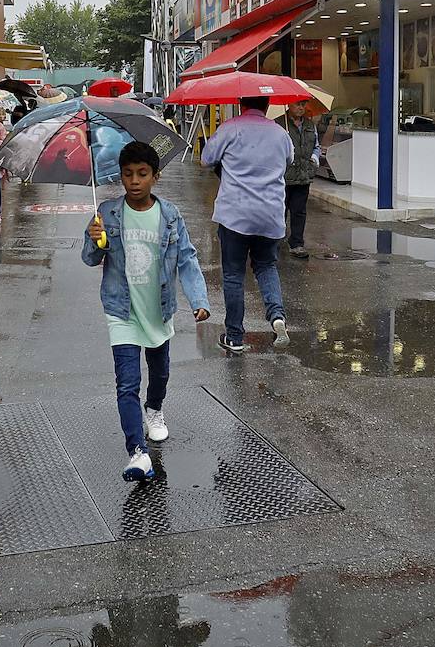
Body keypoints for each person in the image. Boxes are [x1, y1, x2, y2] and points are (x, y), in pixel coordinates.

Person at [83, 141, 210, 482]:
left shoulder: (169, 215)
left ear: (156, 176)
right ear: (120, 176)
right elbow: (90, 258)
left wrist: (199, 300)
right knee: (126, 383)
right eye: (128, 174)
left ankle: (154, 409)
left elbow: (186, 257)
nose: (134, 181)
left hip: (158, 308)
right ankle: (137, 453)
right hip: (121, 309)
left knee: (160, 373)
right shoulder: (107, 213)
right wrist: (93, 237)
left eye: (142, 174)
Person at [201, 96, 294, 353]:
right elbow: (289, 161)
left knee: (233, 274)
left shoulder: (229, 128)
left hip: (236, 215)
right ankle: (277, 316)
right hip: (271, 215)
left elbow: (206, 159)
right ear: (267, 106)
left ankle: (234, 337)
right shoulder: (281, 133)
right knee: (266, 266)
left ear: (242, 104)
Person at [280, 100, 335, 258]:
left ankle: (297, 243)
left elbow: (316, 146)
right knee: (280, 210)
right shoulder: (279, 125)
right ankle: (276, 240)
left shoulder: (310, 126)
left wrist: (314, 159)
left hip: (303, 176)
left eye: (303, 105)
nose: (300, 108)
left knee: (299, 211)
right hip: (284, 176)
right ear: (288, 105)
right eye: (297, 104)